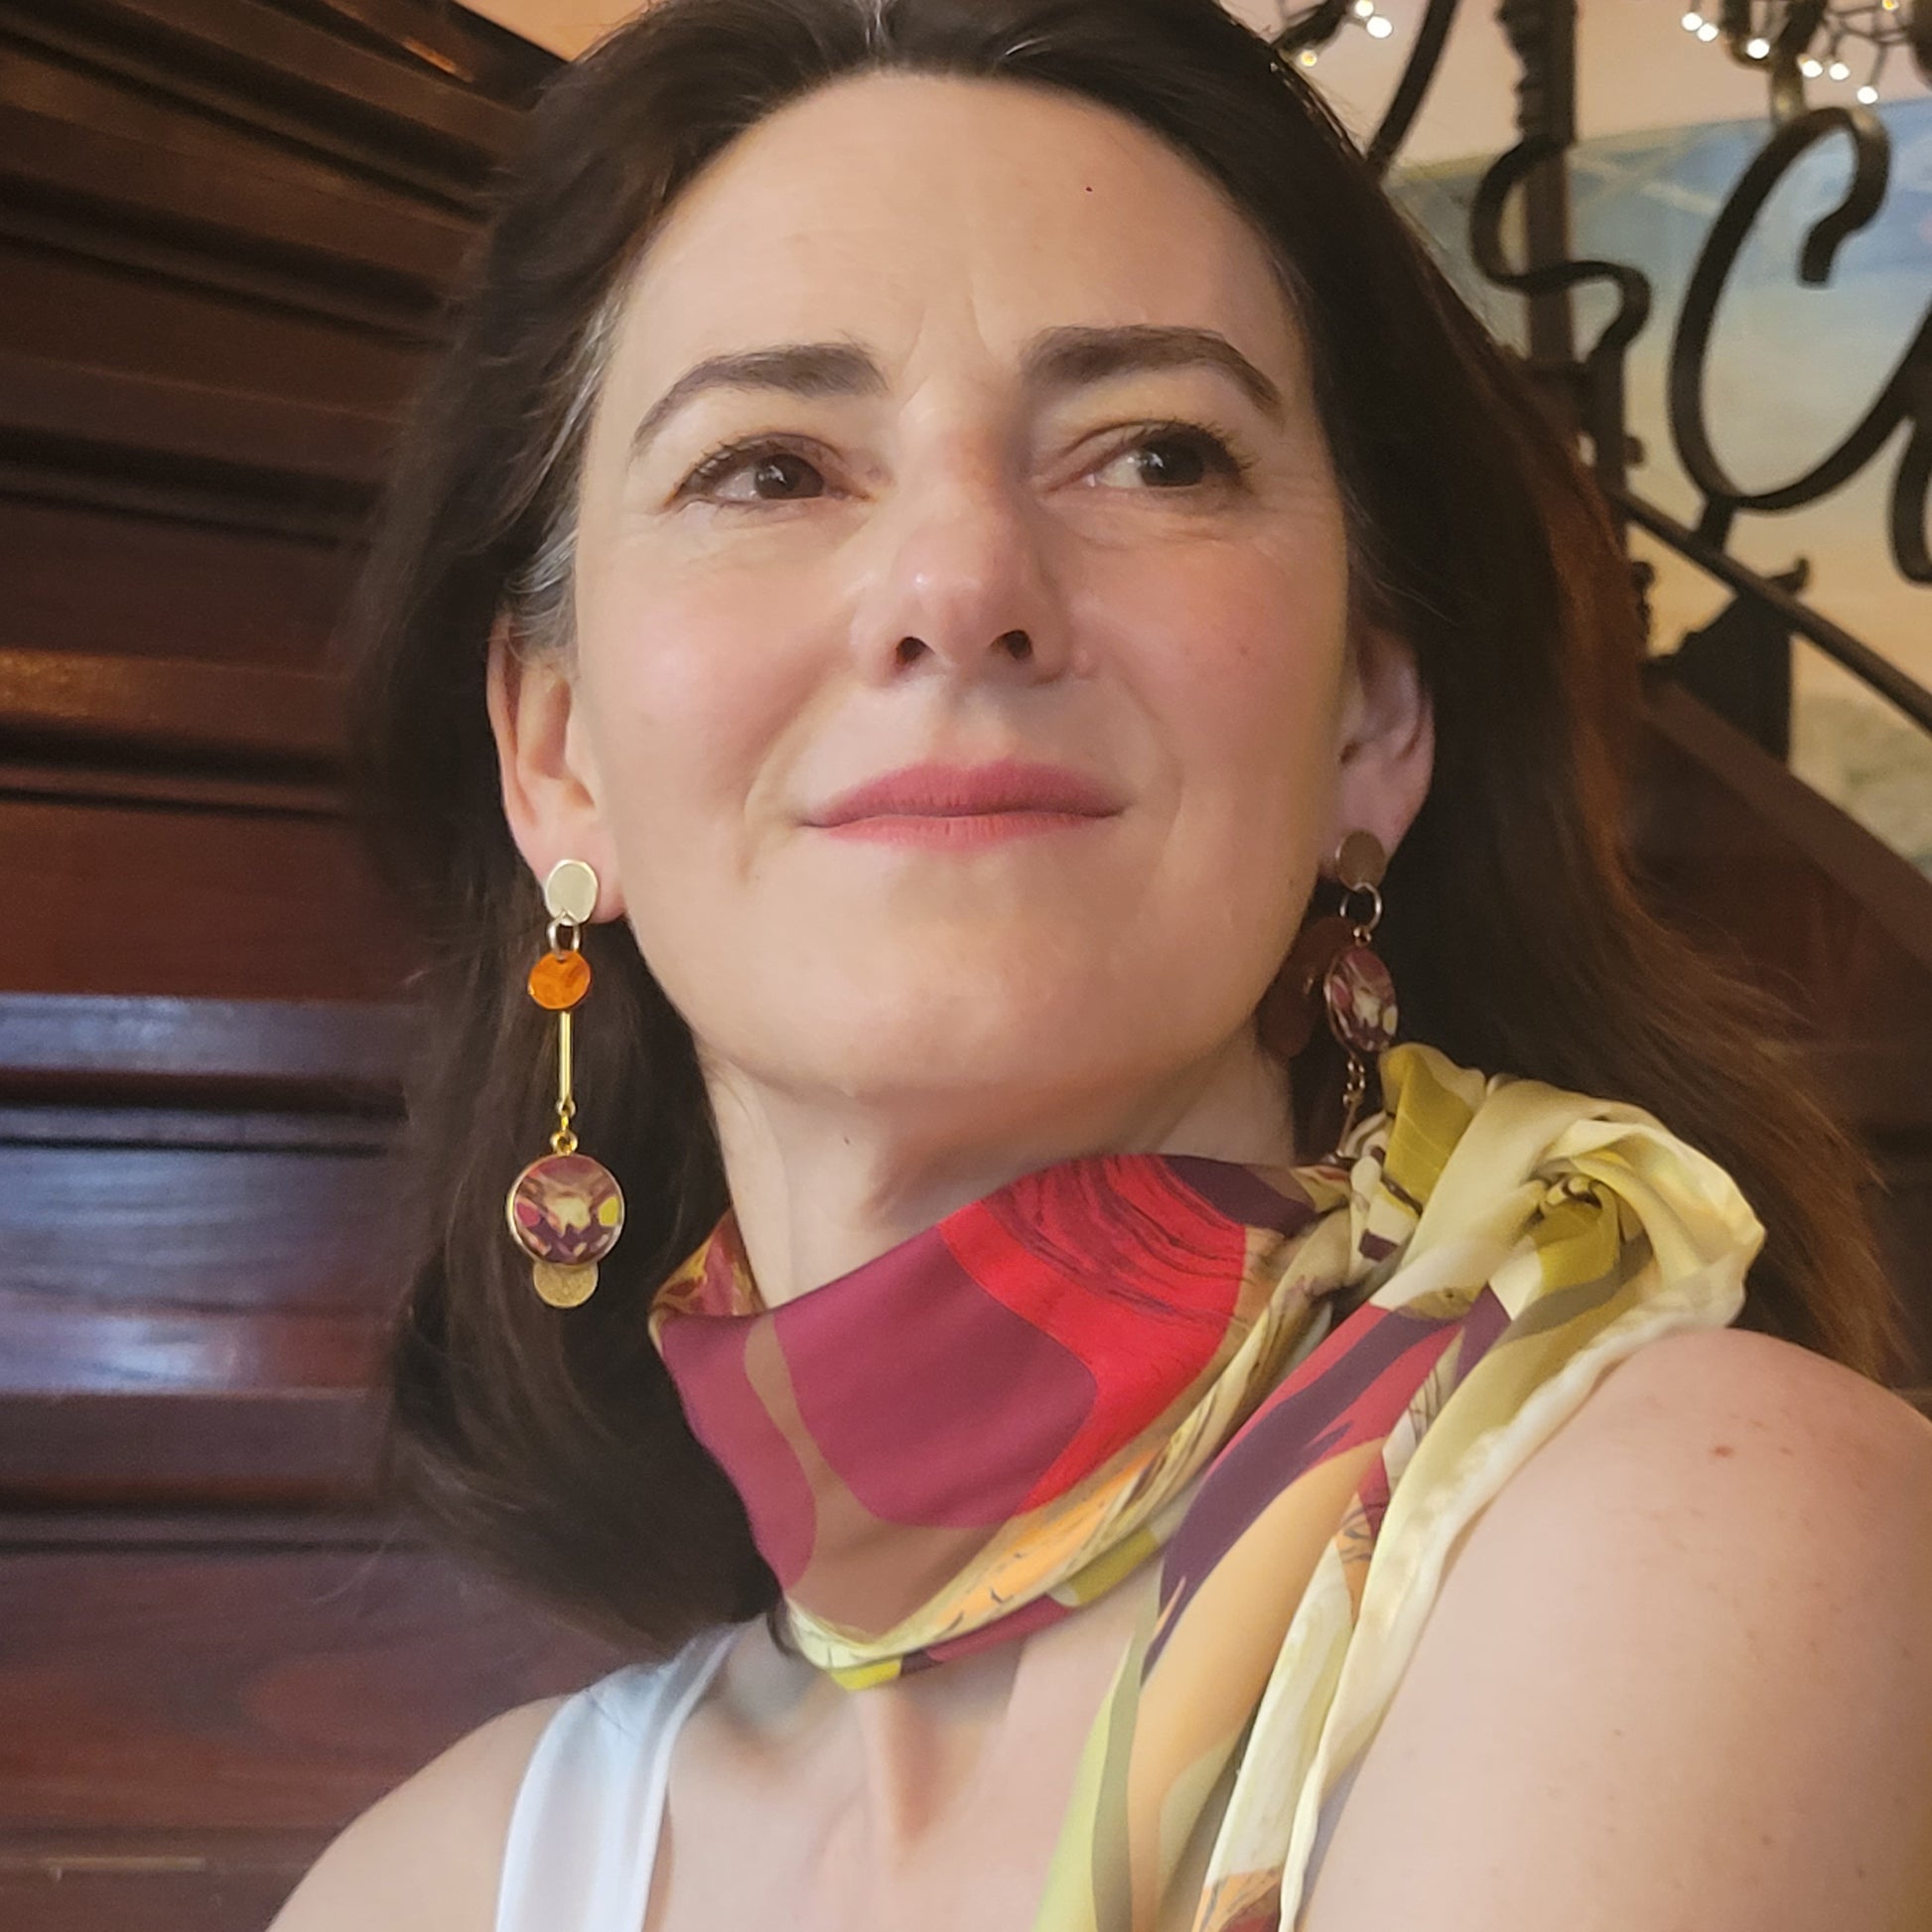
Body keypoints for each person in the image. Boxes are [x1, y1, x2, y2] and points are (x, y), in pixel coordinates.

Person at [269, 0, 1932, 1925]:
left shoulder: (1712, 1535)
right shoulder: (441, 1875)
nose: (959, 582)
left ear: (1368, 716)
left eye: (1153, 453)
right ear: (557, 751)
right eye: (771, 469)